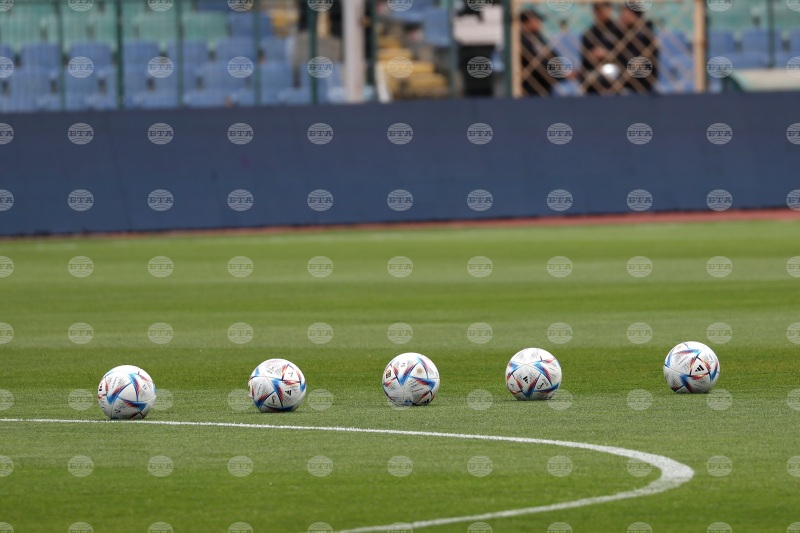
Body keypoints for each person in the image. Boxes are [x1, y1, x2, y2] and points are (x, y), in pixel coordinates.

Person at [579, 2, 624, 94]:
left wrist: (607, 54)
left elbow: (625, 54)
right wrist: (591, 56)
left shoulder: (619, 30)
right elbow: (584, 59)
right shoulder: (589, 33)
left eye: (604, 9)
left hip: (615, 67)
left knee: (610, 72)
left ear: (610, 10)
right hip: (594, 69)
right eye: (598, 10)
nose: (601, 13)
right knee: (586, 77)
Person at [519, 7, 565, 96]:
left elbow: (552, 55)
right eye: (536, 21)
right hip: (529, 86)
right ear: (526, 23)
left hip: (545, 85)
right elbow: (535, 63)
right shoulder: (521, 41)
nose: (539, 24)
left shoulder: (538, 38)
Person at [617, 5, 659, 93]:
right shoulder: (621, 33)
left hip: (642, 79)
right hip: (624, 76)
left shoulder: (645, 34)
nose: (621, 16)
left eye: (625, 13)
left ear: (634, 15)